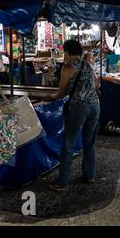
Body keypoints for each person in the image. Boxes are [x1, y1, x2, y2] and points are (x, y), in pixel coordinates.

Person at [44, 40, 100, 191]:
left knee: (68, 145)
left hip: (78, 108)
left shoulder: (67, 68)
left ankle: (62, 182)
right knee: (89, 143)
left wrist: (50, 97)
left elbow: (61, 93)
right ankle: (90, 175)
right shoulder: (87, 65)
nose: (64, 56)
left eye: (65, 53)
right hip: (95, 106)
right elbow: (97, 85)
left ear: (68, 52)